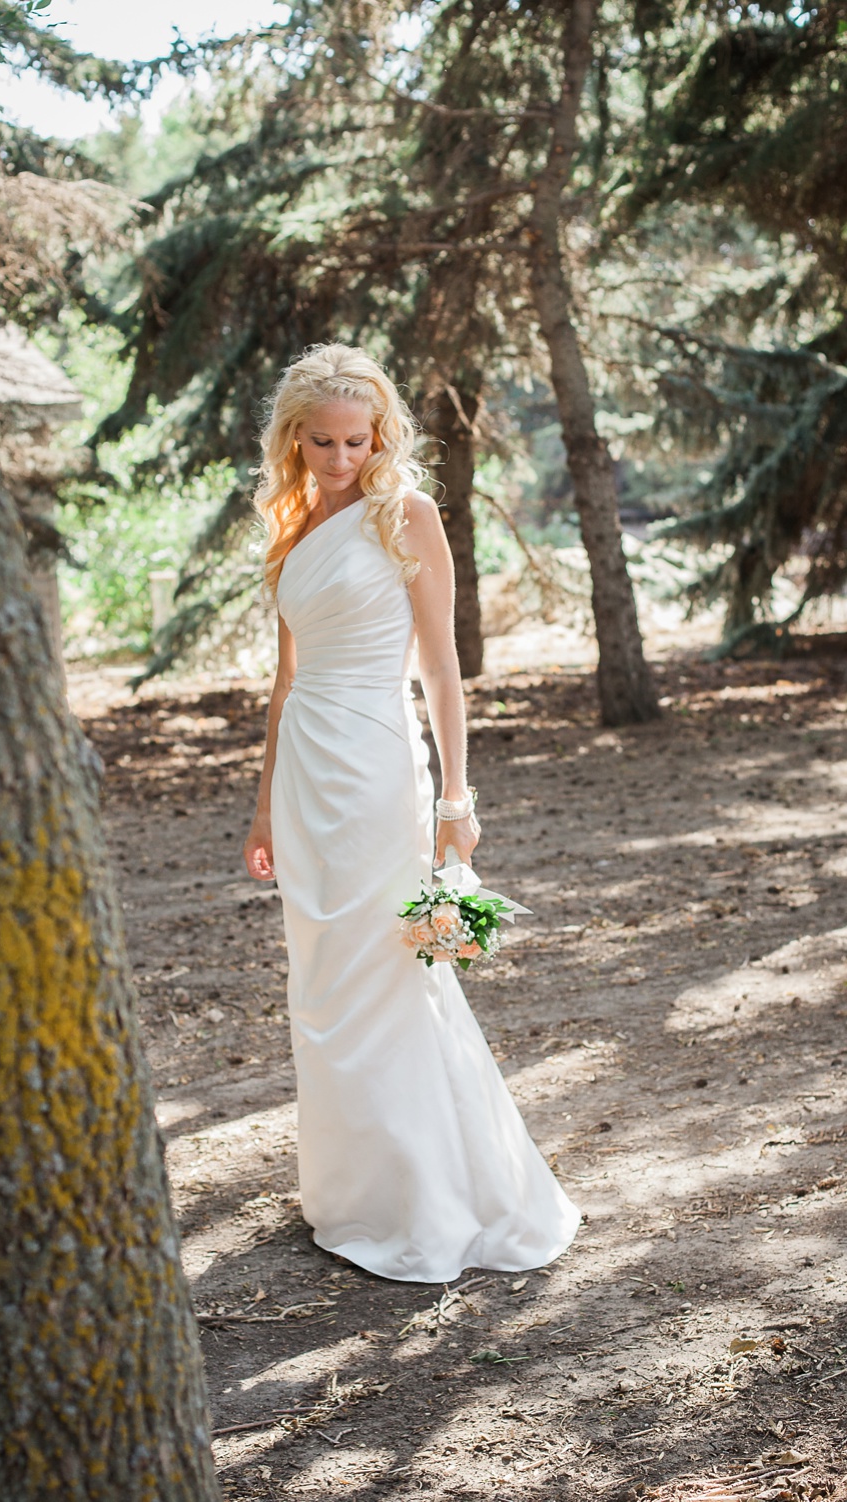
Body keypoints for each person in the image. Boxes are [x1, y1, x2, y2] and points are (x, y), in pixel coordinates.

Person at [240, 344, 578, 1284]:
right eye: (322, 442)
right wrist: (265, 805)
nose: (342, 457)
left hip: (380, 763)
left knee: (387, 972)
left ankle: (433, 1195)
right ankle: (354, 1191)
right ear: (293, 440)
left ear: (380, 436)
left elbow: (441, 669)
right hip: (309, 769)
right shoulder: (292, 516)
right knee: (321, 982)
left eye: (358, 440)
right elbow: (284, 679)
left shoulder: (408, 515)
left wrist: (456, 799)